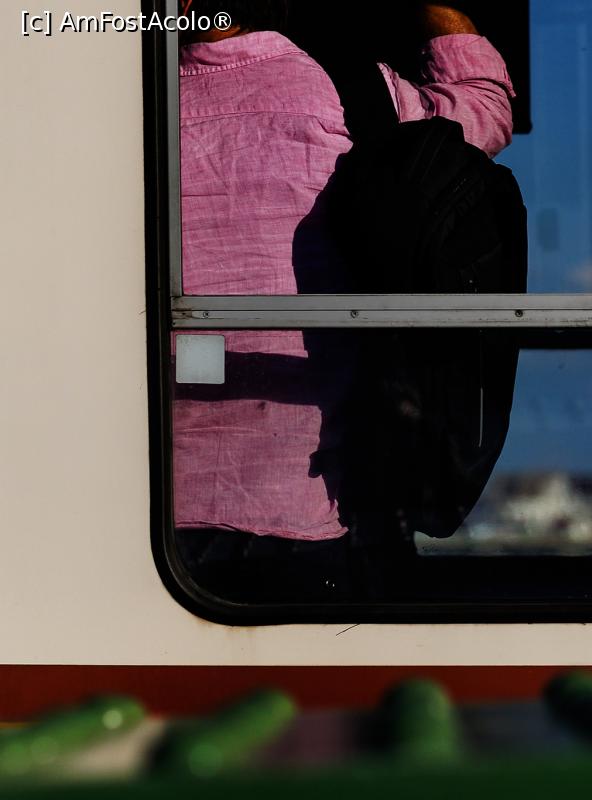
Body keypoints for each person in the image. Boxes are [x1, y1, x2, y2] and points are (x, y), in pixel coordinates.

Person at [171, 0, 515, 599]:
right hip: (314, 498)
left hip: (144, 498)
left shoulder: (117, 112)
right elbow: (483, 110)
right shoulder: (351, 91)